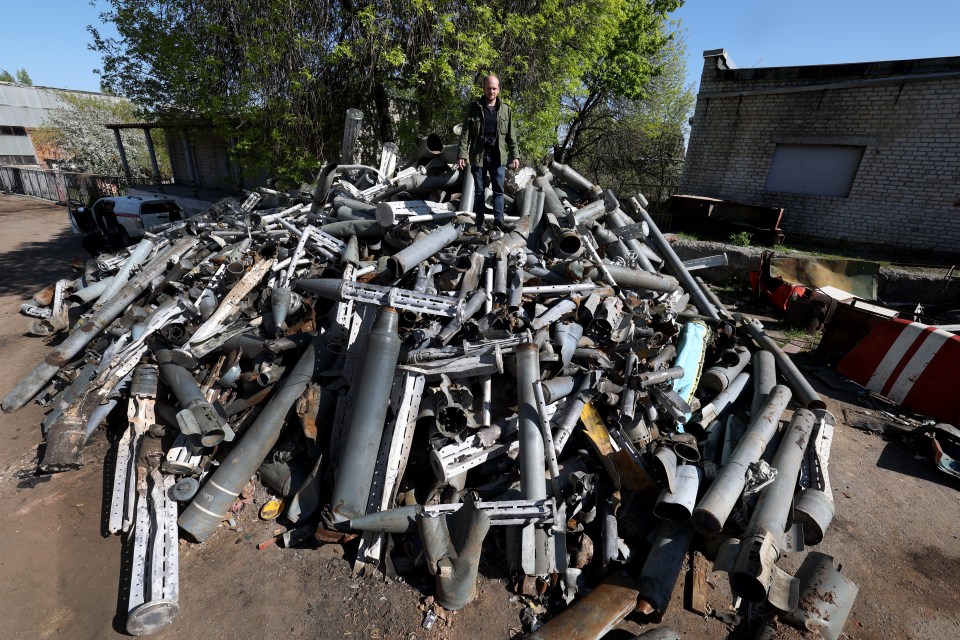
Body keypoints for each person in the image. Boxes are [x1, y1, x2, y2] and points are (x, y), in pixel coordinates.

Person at [457, 74, 520, 228]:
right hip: (479, 155)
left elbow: (511, 135)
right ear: (483, 89)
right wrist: (462, 154)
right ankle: (478, 223)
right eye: (488, 88)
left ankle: (499, 222)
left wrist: (515, 156)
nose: (491, 91)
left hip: (498, 156)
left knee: (498, 190)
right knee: (479, 191)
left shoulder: (506, 110)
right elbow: (465, 134)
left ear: (498, 89)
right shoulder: (474, 108)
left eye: (494, 88)